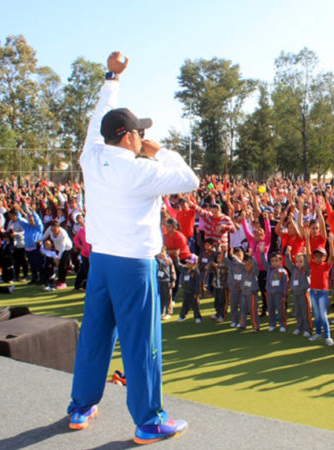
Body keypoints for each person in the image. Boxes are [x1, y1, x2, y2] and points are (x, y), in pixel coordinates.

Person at [67, 52, 196, 443]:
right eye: (139, 132)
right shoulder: (141, 169)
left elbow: (97, 120)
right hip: (134, 267)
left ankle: (80, 407)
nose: (142, 136)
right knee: (142, 345)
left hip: (102, 262)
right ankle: (149, 420)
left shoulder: (91, 157)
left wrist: (112, 78)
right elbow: (189, 180)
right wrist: (160, 153)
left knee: (95, 337)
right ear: (127, 137)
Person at [284, 245, 312, 337]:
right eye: (297, 262)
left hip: (304, 294)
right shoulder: (294, 269)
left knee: (305, 312)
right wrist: (288, 253)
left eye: (301, 261)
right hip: (295, 294)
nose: (298, 263)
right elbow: (288, 263)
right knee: (297, 311)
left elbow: (307, 265)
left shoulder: (306, 270)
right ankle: (299, 327)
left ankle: (307, 329)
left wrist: (304, 255)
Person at [260, 243, 288, 332]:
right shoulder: (269, 269)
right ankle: (272, 324)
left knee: (280, 310)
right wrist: (262, 252)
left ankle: (282, 325)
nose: (274, 263)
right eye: (272, 261)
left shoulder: (283, 272)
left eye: (277, 260)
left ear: (280, 261)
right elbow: (263, 262)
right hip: (270, 293)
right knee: (271, 309)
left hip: (279, 294)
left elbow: (285, 284)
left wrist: (285, 295)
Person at [176, 254, 203, 324]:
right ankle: (182, 316)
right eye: (187, 262)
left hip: (193, 292)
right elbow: (178, 266)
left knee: (195, 305)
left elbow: (198, 284)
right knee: (185, 305)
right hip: (186, 291)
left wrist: (197, 293)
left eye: (190, 263)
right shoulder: (184, 269)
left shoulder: (196, 272)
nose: (187, 264)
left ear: (194, 264)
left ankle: (197, 317)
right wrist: (177, 258)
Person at [156, 247, 176, 319]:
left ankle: (168, 312)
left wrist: (172, 280)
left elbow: (172, 270)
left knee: (167, 296)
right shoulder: (156, 259)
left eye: (162, 251)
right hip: (159, 281)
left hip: (166, 280)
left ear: (165, 251)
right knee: (161, 297)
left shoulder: (168, 260)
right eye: (159, 252)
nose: (161, 253)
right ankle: (162, 312)